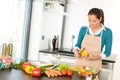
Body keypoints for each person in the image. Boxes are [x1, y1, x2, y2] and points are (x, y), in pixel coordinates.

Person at [73, 8, 112, 72]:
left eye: (94, 21)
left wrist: (93, 57)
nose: (91, 23)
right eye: (89, 21)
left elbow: (107, 52)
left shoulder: (107, 32)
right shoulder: (83, 29)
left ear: (100, 19)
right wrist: (76, 51)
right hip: (79, 65)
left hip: (94, 66)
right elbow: (78, 45)